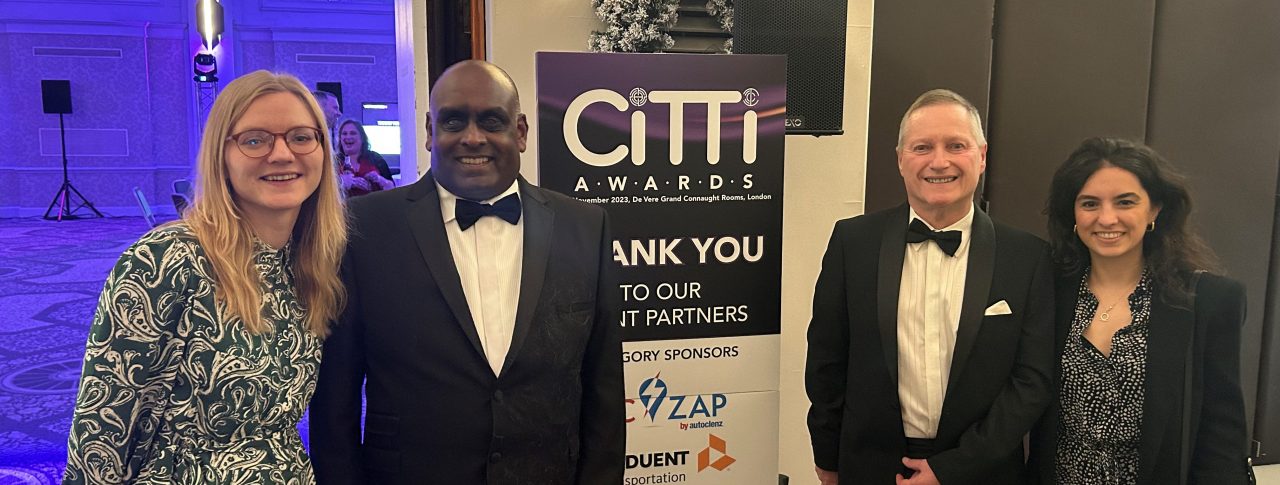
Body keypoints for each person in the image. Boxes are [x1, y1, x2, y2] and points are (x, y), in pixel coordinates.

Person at [309, 60, 624, 484]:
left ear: (522, 131)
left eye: (492, 121)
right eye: (454, 121)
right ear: (428, 131)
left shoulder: (584, 226)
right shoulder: (364, 228)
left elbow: (603, 387)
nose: (472, 138)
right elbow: (335, 400)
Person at [62, 70, 347, 483]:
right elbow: (99, 441)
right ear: (221, 155)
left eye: (301, 137)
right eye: (255, 140)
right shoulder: (165, 261)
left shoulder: (309, 264)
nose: (283, 154)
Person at [805, 89, 1054, 485]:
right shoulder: (853, 242)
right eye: (923, 147)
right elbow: (826, 359)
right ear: (901, 159)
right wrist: (827, 457)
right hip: (870, 469)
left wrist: (952, 467)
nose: (940, 161)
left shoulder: (1028, 257)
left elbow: (1031, 382)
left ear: (982, 156)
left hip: (982, 472)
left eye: (956, 145)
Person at [1028, 137, 1251, 484]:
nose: (1107, 218)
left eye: (1125, 202)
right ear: (1071, 212)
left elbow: (1222, 436)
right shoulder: (1046, 290)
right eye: (1089, 203)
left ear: (1155, 209)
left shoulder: (1209, 300)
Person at [335, 118, 395, 197]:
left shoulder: (375, 158)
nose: (348, 137)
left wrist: (379, 179)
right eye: (344, 134)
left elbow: (393, 189)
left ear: (362, 138)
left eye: (353, 133)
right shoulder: (334, 161)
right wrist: (342, 183)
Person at [312, 90, 342, 155]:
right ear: (319, 108)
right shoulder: (307, 137)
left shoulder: (323, 136)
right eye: (335, 108)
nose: (339, 113)